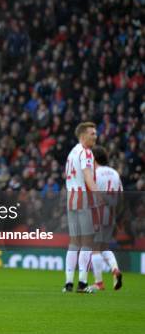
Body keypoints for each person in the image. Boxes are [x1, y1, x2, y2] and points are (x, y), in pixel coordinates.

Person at [64, 122, 98, 293]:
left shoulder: (72, 152)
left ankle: (68, 283)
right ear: (83, 136)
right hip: (81, 198)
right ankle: (83, 284)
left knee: (74, 242)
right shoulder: (86, 152)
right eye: (92, 133)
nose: (95, 136)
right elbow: (86, 175)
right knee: (87, 242)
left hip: (70, 198)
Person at [89, 145, 123, 291]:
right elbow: (121, 195)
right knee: (103, 246)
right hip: (111, 213)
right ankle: (115, 270)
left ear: (94, 158)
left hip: (98, 211)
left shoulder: (94, 173)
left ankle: (99, 283)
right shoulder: (115, 173)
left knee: (95, 248)